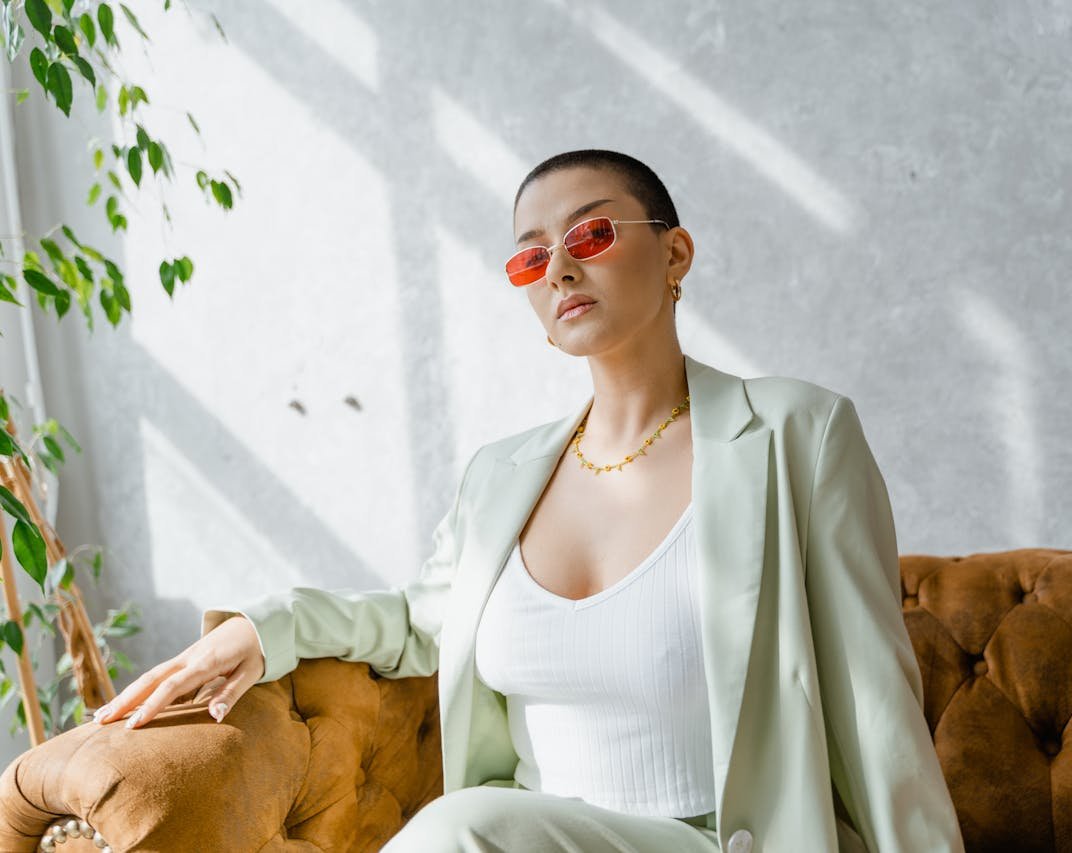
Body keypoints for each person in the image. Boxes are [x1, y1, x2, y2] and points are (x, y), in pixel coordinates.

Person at [89, 149, 966, 853]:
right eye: (529, 254)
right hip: (540, 837)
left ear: (675, 253)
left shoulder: (795, 435)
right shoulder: (500, 475)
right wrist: (264, 626)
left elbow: (875, 703)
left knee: (460, 830)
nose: (558, 268)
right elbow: (419, 619)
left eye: (589, 235)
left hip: (722, 839)